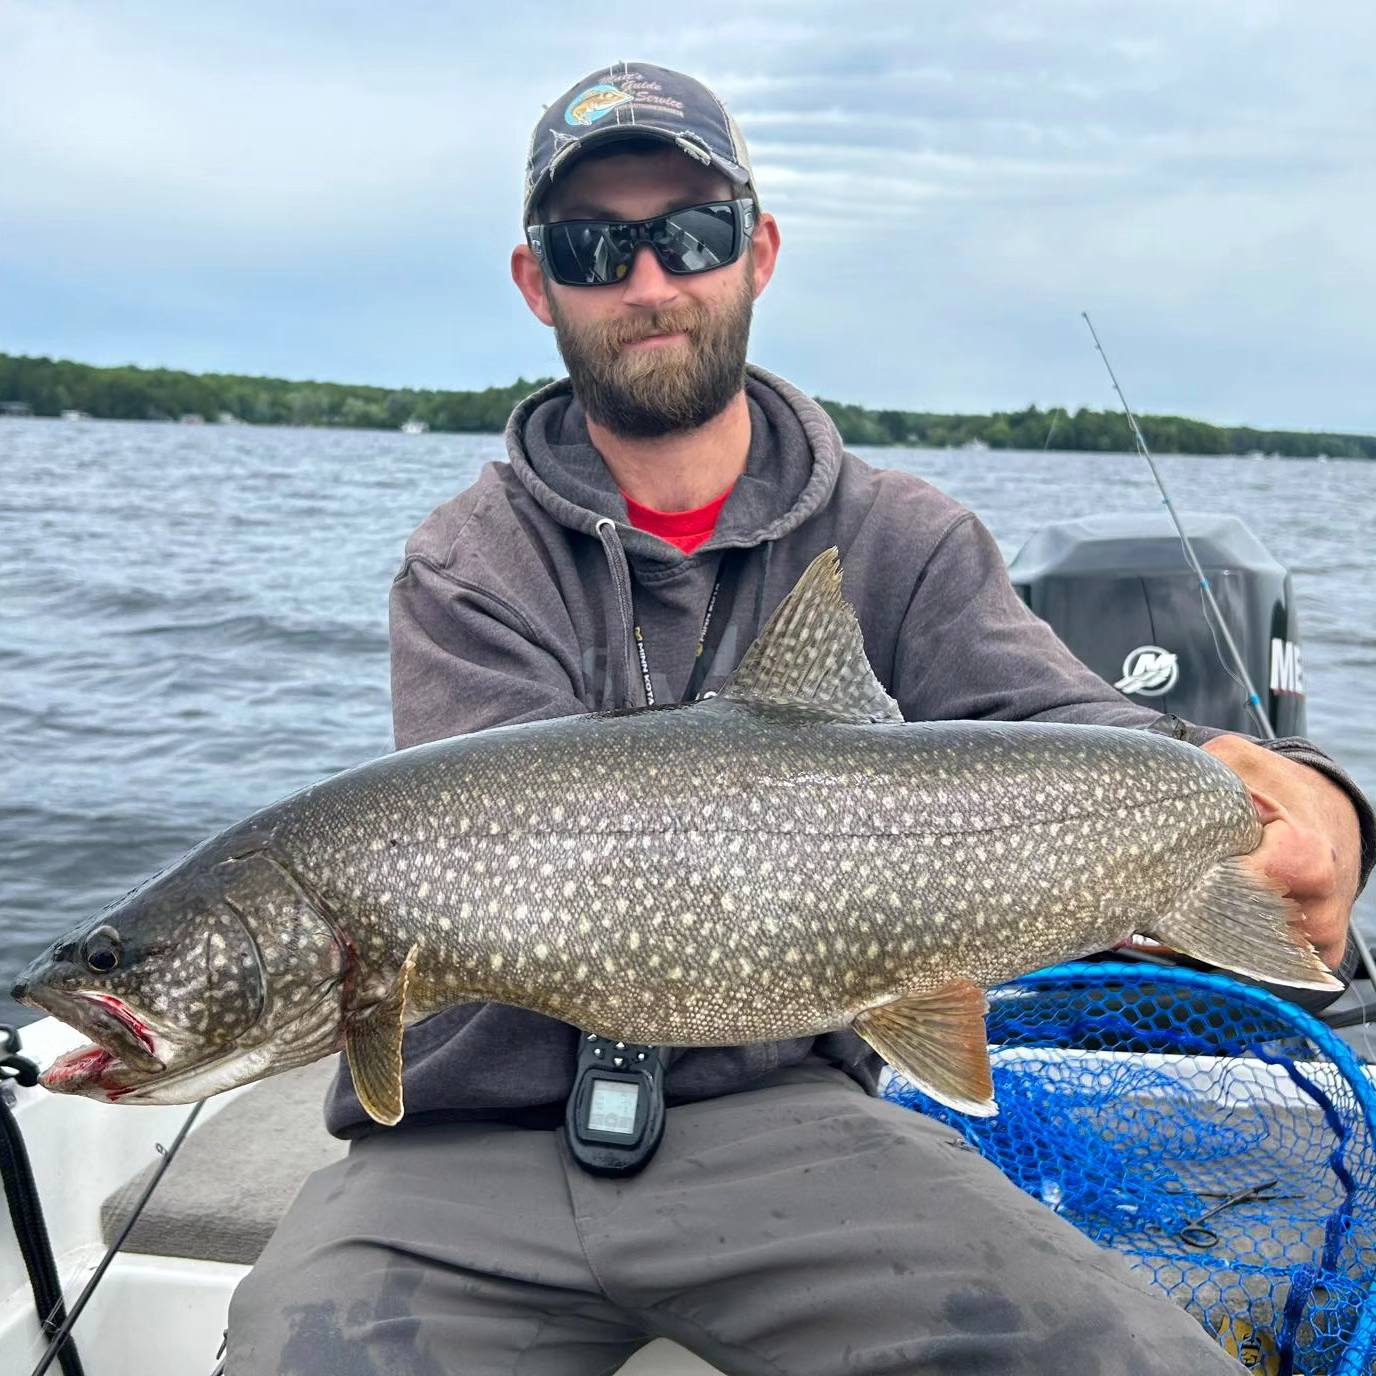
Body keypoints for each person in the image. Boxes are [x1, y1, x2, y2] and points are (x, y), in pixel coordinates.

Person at [228, 61, 1373, 1375]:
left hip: (786, 1118)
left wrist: (1311, 808)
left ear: (757, 251)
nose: (649, 282)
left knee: (1128, 1355)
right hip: (472, 1146)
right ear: (537, 282)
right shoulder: (467, 567)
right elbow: (523, 924)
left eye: (692, 234)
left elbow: (1098, 738)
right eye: (596, 246)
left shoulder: (903, 539)